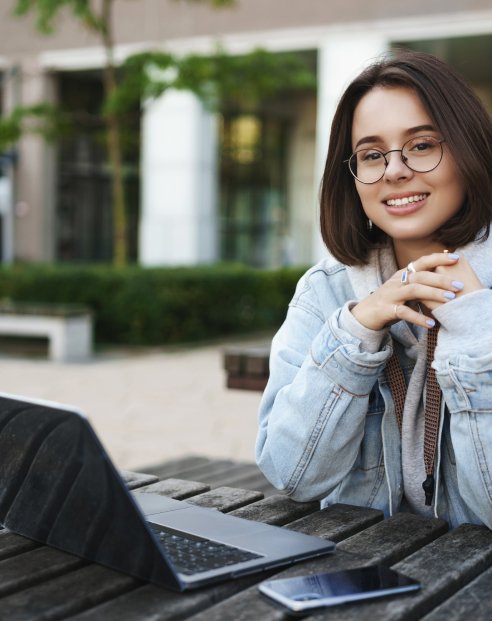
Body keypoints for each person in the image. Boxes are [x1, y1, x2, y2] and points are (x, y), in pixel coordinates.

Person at [255, 50, 492, 529]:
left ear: (469, 152)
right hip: (360, 571)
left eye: (422, 145)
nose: (395, 170)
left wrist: (474, 328)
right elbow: (292, 475)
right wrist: (355, 332)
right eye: (371, 155)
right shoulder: (326, 291)